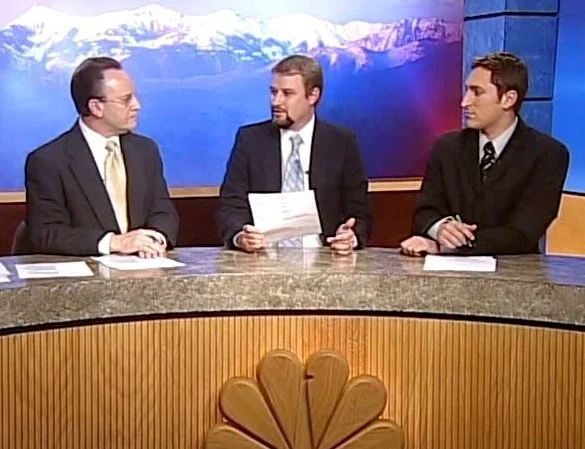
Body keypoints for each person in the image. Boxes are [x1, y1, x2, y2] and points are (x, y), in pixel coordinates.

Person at [400, 52, 569, 256]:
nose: (465, 102)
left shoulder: (548, 154)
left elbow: (523, 233)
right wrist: (440, 228)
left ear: (508, 99)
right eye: (467, 91)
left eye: (477, 92)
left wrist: (451, 246)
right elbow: (424, 213)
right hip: (445, 271)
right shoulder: (446, 147)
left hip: (514, 271)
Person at [217, 54, 372, 255]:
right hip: (262, 257)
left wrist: (351, 236)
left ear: (313, 96)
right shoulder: (250, 140)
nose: (276, 101)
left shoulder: (341, 142)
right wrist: (240, 236)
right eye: (273, 92)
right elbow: (230, 205)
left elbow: (360, 213)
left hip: (324, 258)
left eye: (287, 93)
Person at [25, 57, 179, 257]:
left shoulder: (145, 150)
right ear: (96, 107)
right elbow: (46, 233)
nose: (137, 105)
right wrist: (113, 243)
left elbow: (163, 211)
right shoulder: (49, 161)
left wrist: (153, 239)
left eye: (135, 96)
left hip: (146, 266)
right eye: (126, 100)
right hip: (86, 272)